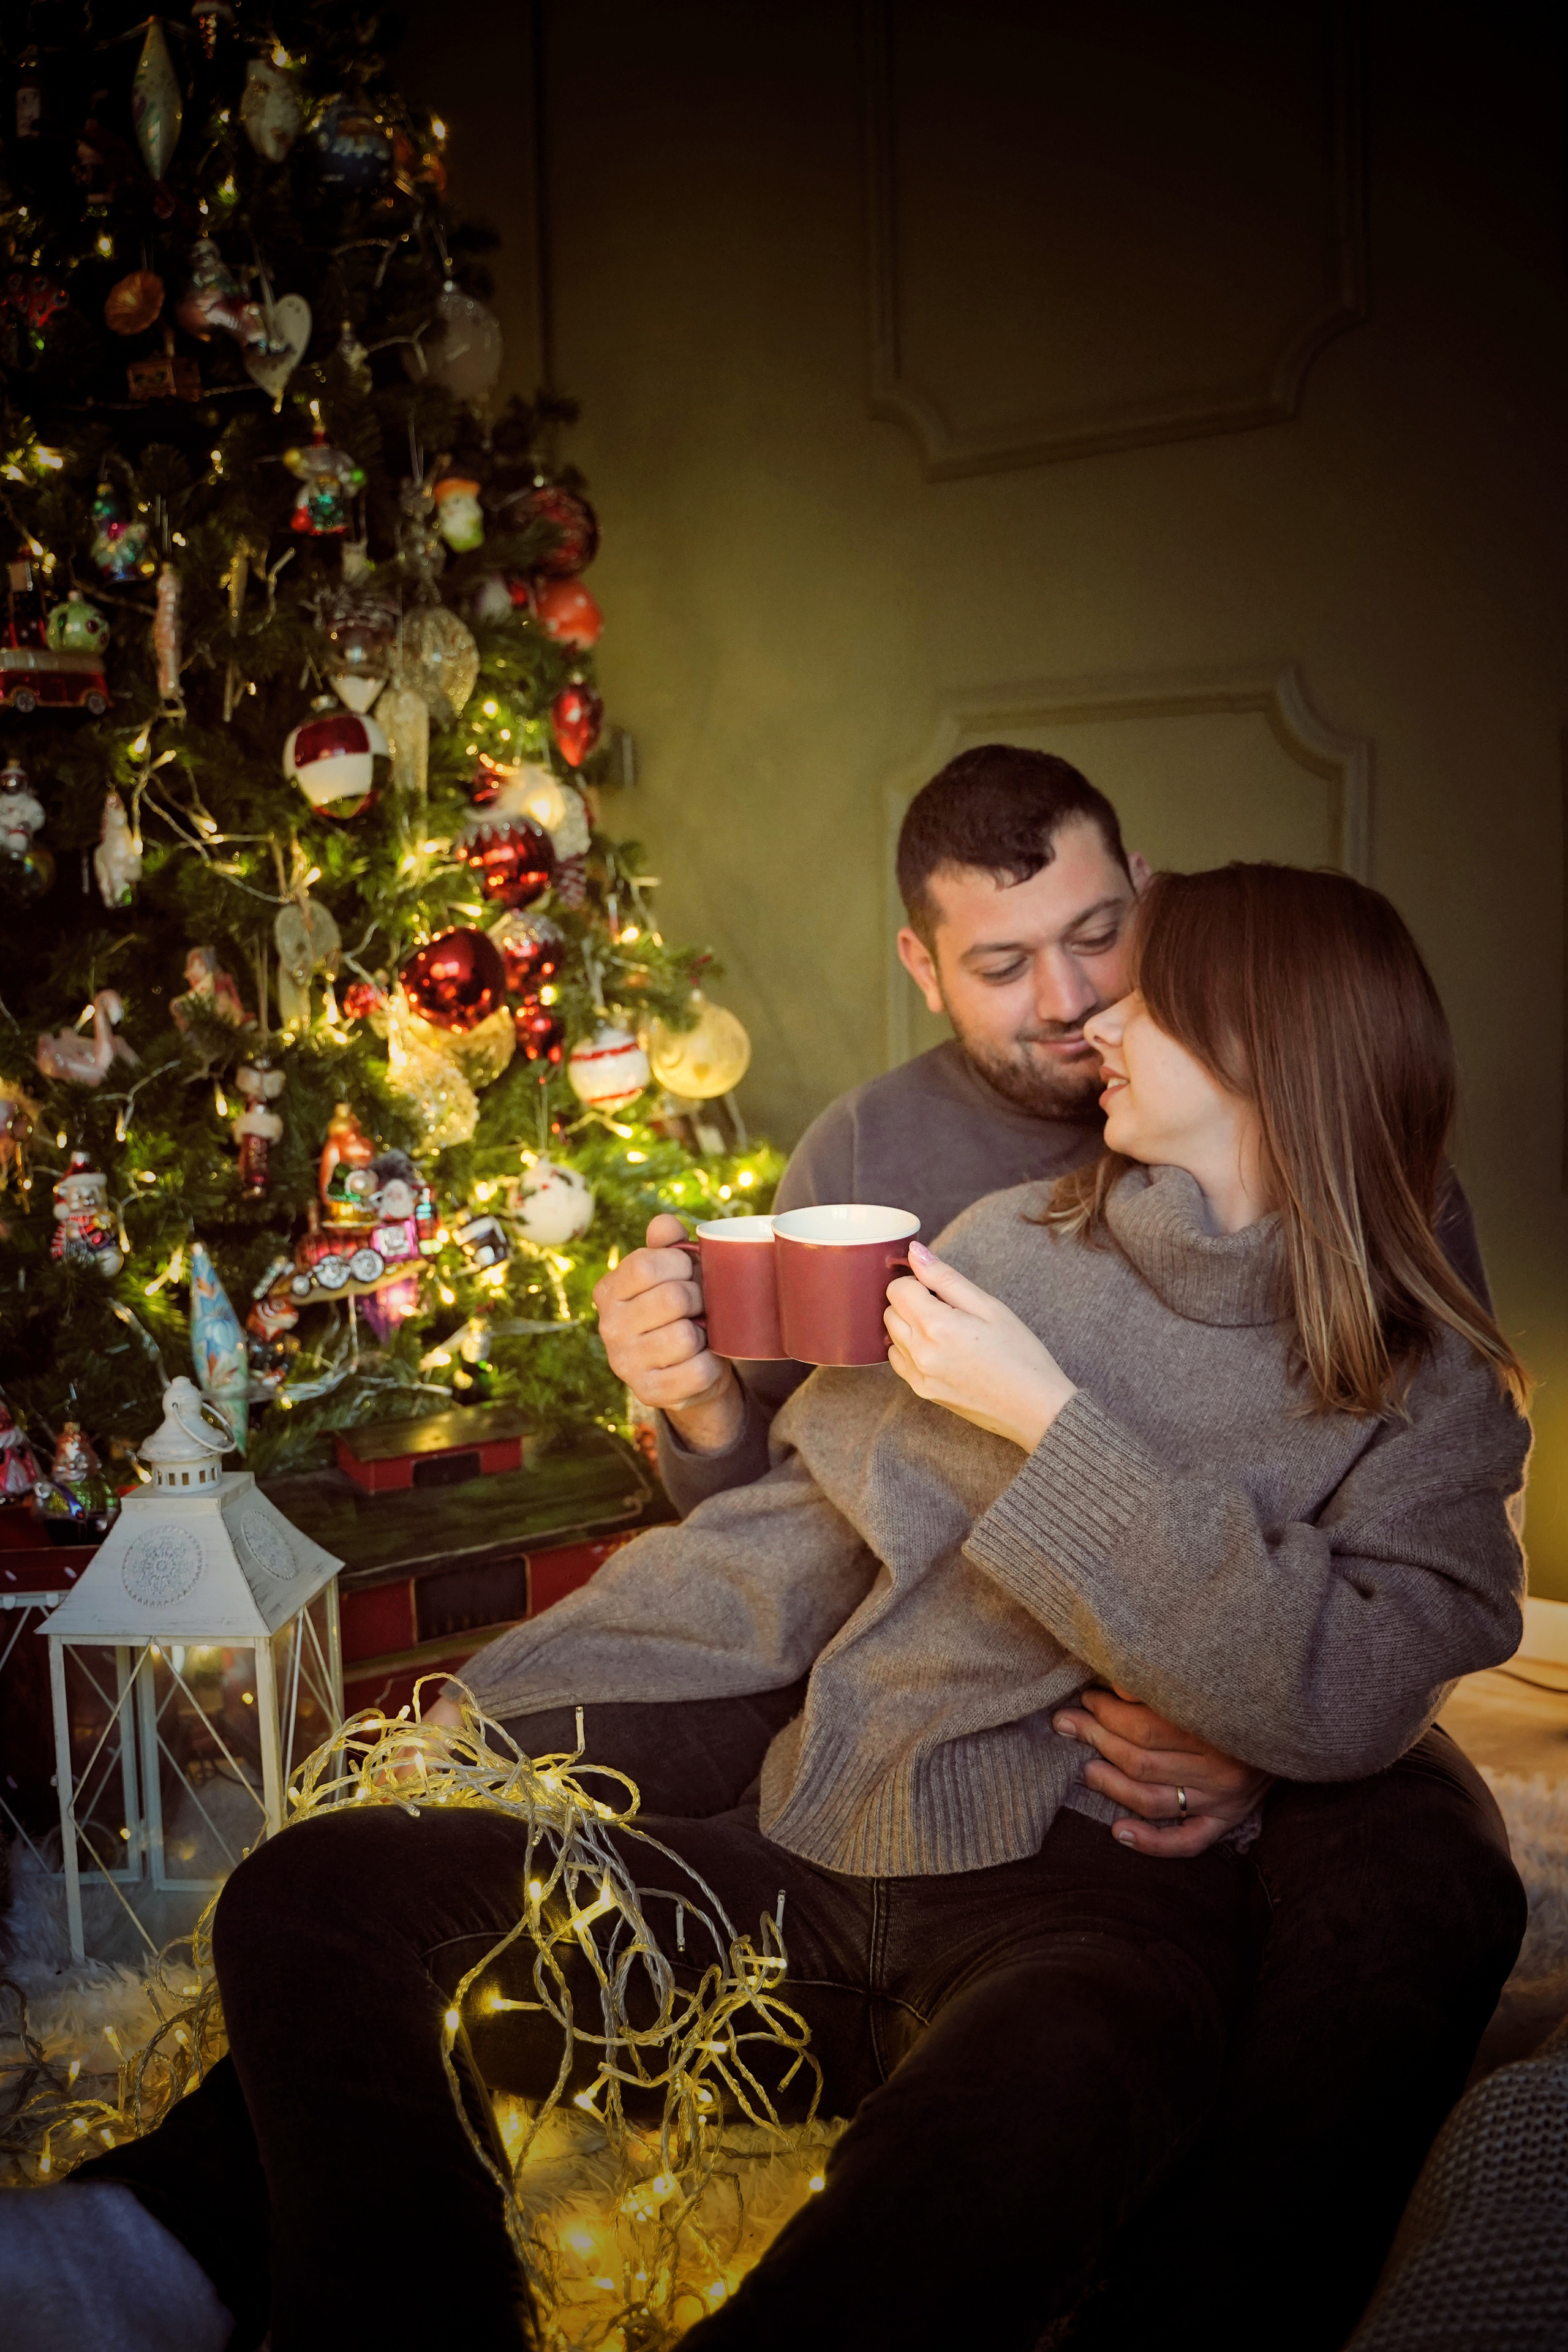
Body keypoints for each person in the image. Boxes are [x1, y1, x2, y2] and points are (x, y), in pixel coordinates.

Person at [21, 861, 1529, 2352]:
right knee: (314, 1891)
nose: (1097, 1020)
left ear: (1262, 1045)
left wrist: (1051, 1427)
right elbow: (797, 1537)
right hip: (800, 1863)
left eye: (1142, 990)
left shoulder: (1423, 1380)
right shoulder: (1009, 1248)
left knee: (1042, 2112)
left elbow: (1355, 1682)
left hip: (1086, 1919)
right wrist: (501, 1697)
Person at [591, 745, 1522, 2350]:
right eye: (1007, 965)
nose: (1079, 1004)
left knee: (1422, 1876)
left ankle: (1211, 2283)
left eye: (1105, 942)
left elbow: (1394, 1533)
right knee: (583, 1743)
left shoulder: (1360, 1162)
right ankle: (195, 2203)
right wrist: (684, 1406)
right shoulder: (869, 1160)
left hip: (1231, 1668)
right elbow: (800, 1511)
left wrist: (1258, 1736)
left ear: (1152, 908)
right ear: (925, 966)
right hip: (937, 1623)